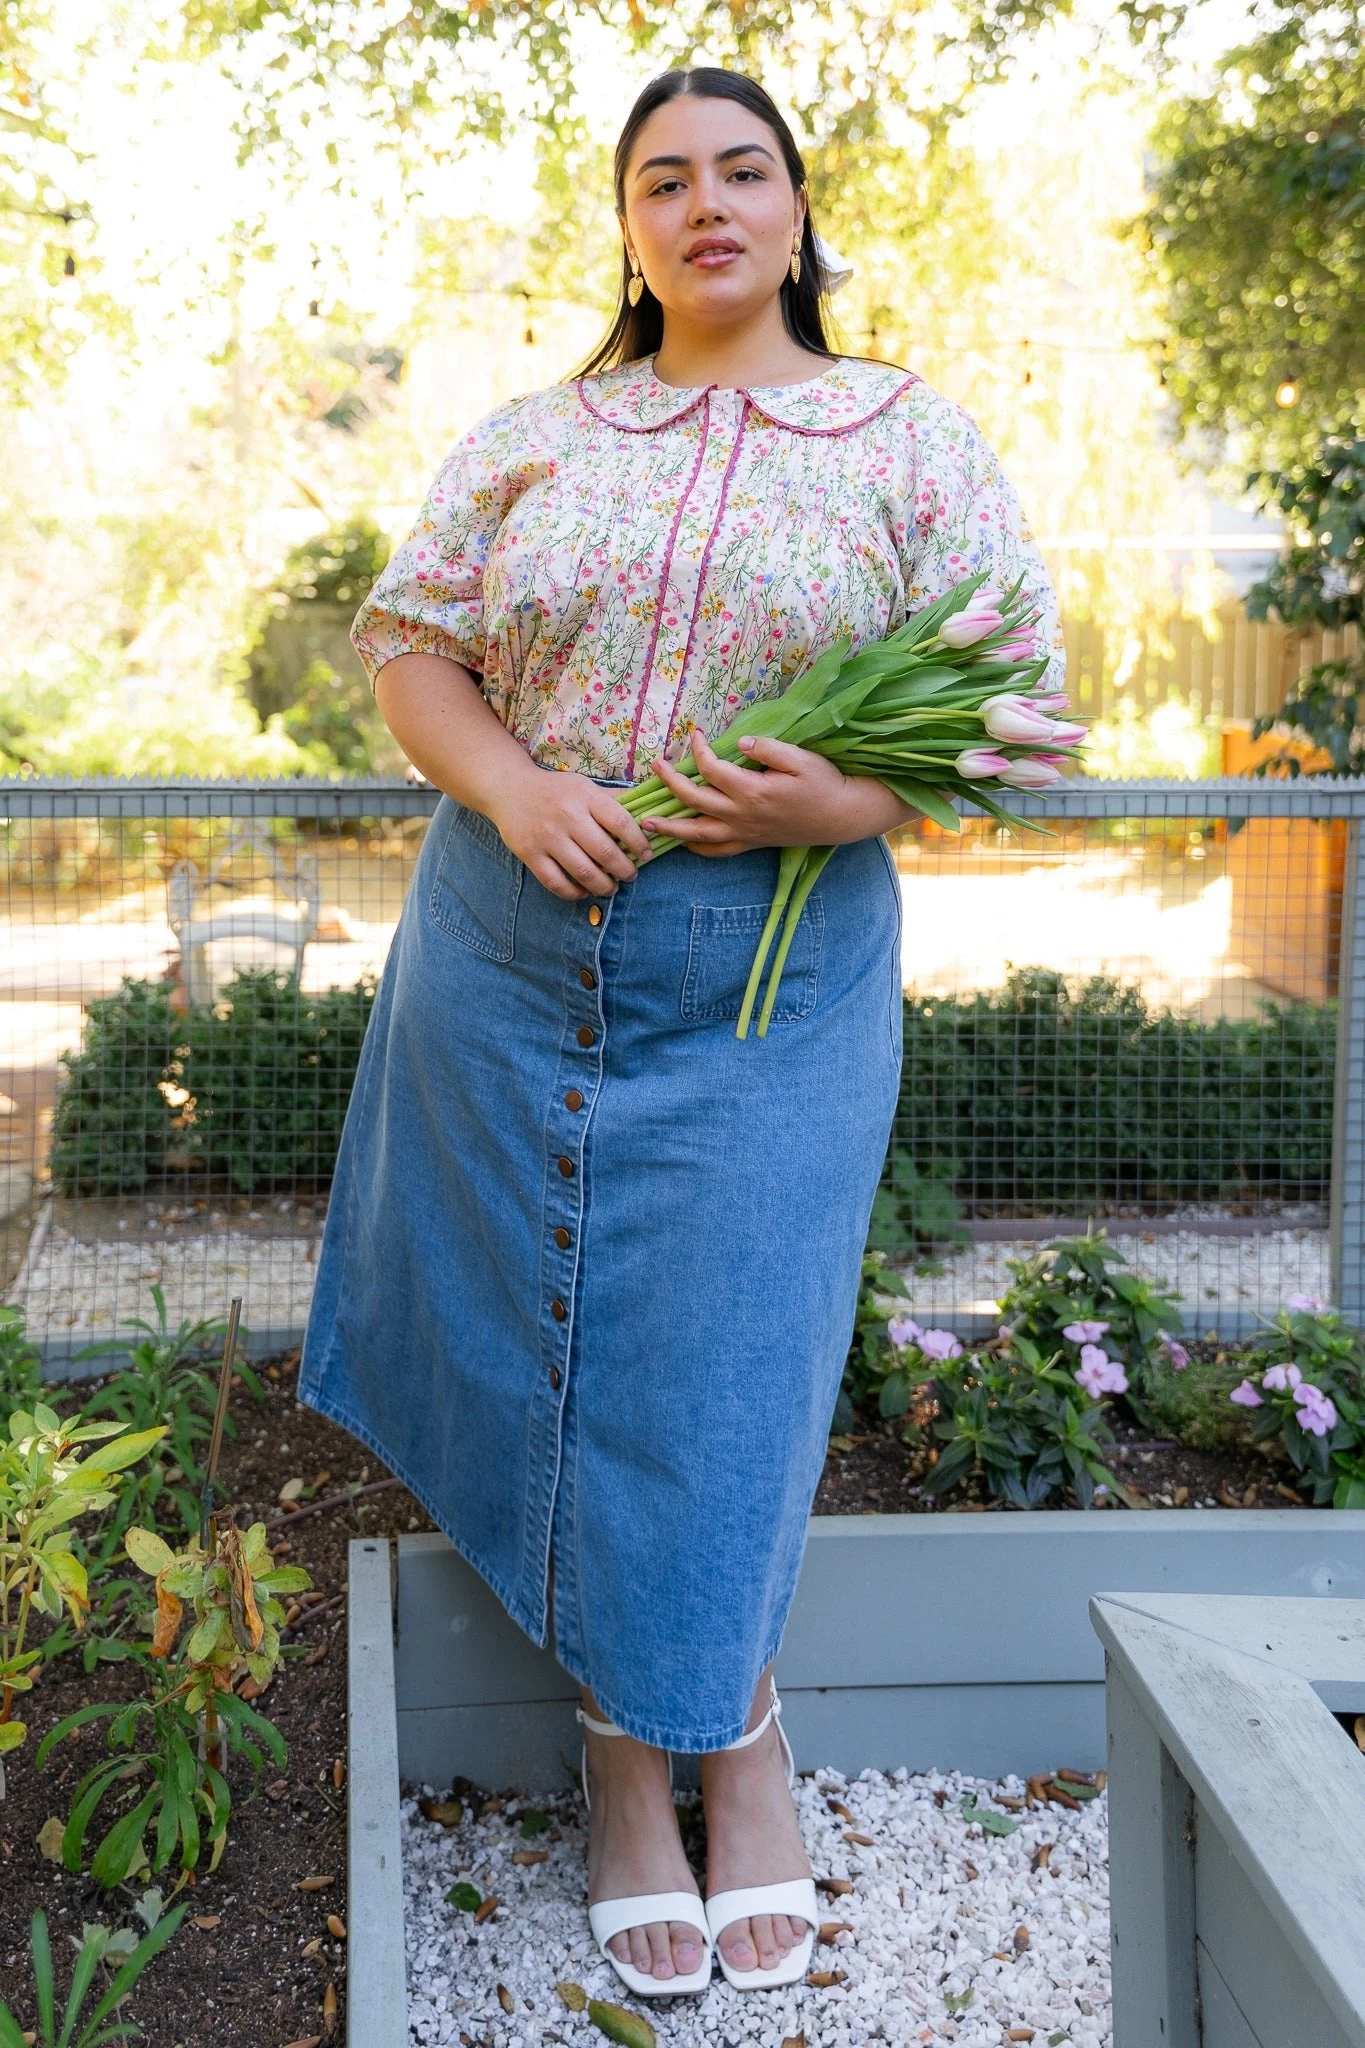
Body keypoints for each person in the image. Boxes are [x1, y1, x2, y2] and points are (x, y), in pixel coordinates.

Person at [298, 63, 1063, 2000]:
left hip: (770, 970)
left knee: (720, 1354)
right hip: (510, 942)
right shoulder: (536, 433)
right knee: (534, 1334)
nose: (706, 202)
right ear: (626, 224)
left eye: (741, 169)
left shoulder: (917, 441)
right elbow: (411, 640)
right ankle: (633, 1771)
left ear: (799, 207)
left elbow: (1018, 715)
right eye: (664, 178)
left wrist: (850, 804)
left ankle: (735, 1738)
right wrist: (505, 786)